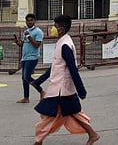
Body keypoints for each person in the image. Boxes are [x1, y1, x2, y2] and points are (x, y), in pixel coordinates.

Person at [30, 14, 99, 145]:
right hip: (58, 87)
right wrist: (38, 81)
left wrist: (81, 91)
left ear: (61, 29)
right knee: (70, 113)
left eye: (54, 26)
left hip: (62, 89)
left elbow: (73, 69)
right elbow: (54, 67)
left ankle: (38, 141)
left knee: (52, 115)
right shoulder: (61, 42)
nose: (52, 29)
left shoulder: (65, 45)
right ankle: (92, 134)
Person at [14, 13, 44, 103]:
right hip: (25, 57)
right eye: (28, 20)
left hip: (32, 57)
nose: (29, 22)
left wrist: (29, 36)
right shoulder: (26, 31)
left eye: (31, 20)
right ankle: (26, 97)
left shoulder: (38, 32)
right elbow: (23, 44)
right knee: (24, 78)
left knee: (27, 76)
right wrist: (17, 42)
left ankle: (41, 91)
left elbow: (36, 45)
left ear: (34, 21)